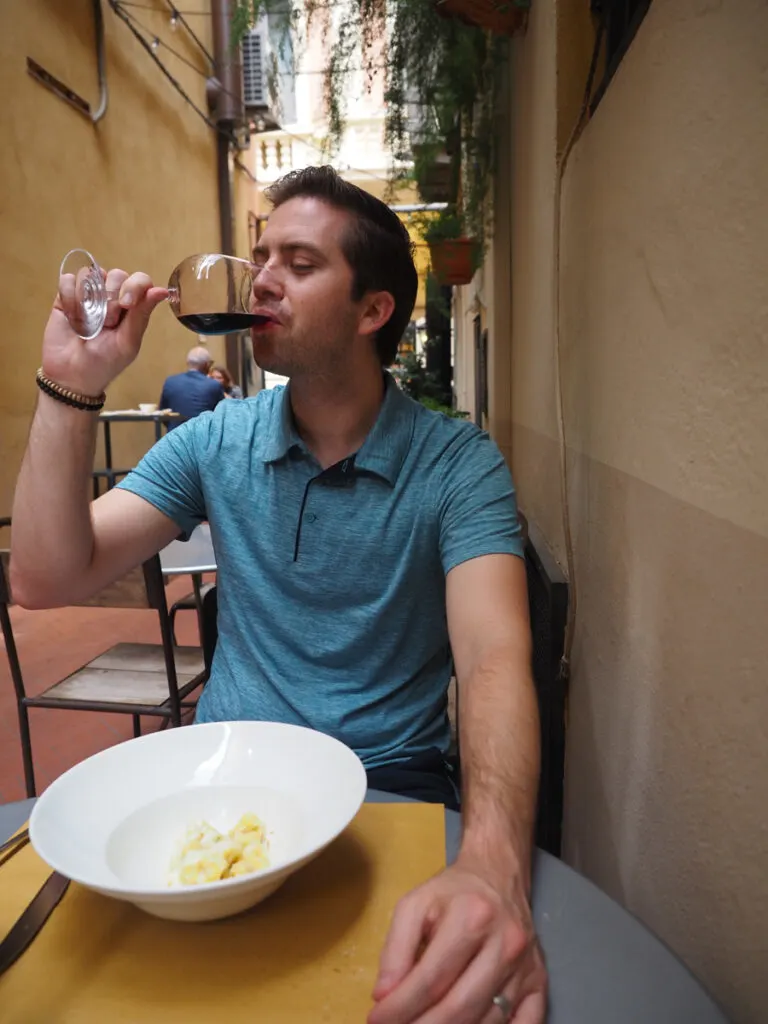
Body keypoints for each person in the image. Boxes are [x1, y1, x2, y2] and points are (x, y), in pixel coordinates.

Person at [11, 166, 546, 1024]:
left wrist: (492, 863)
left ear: (373, 310)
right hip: (222, 779)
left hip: (389, 785)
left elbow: (492, 659)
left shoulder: (457, 464)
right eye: (260, 255)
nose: (260, 278)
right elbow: (44, 576)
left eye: (298, 263)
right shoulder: (216, 440)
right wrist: (70, 385)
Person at [158, 346, 224, 425]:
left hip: (176, 433)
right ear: (207, 365)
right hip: (203, 433)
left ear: (187, 363)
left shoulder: (170, 382)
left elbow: (164, 413)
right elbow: (221, 414)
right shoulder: (213, 385)